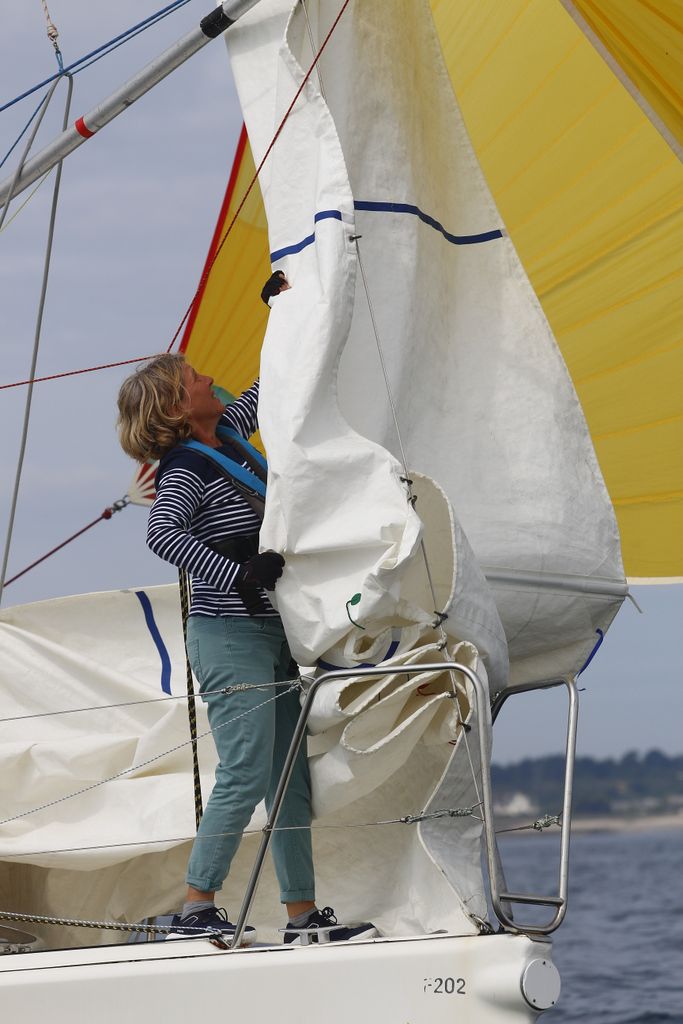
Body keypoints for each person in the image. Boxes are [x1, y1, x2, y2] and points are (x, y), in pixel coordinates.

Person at [116, 273, 375, 946]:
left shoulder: (227, 433)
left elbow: (273, 385)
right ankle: (196, 906)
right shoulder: (184, 468)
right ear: (177, 404)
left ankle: (301, 916)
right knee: (244, 771)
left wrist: (281, 312)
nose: (209, 378)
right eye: (196, 377)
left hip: (268, 633)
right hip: (227, 636)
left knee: (287, 778)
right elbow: (162, 534)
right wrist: (241, 573)